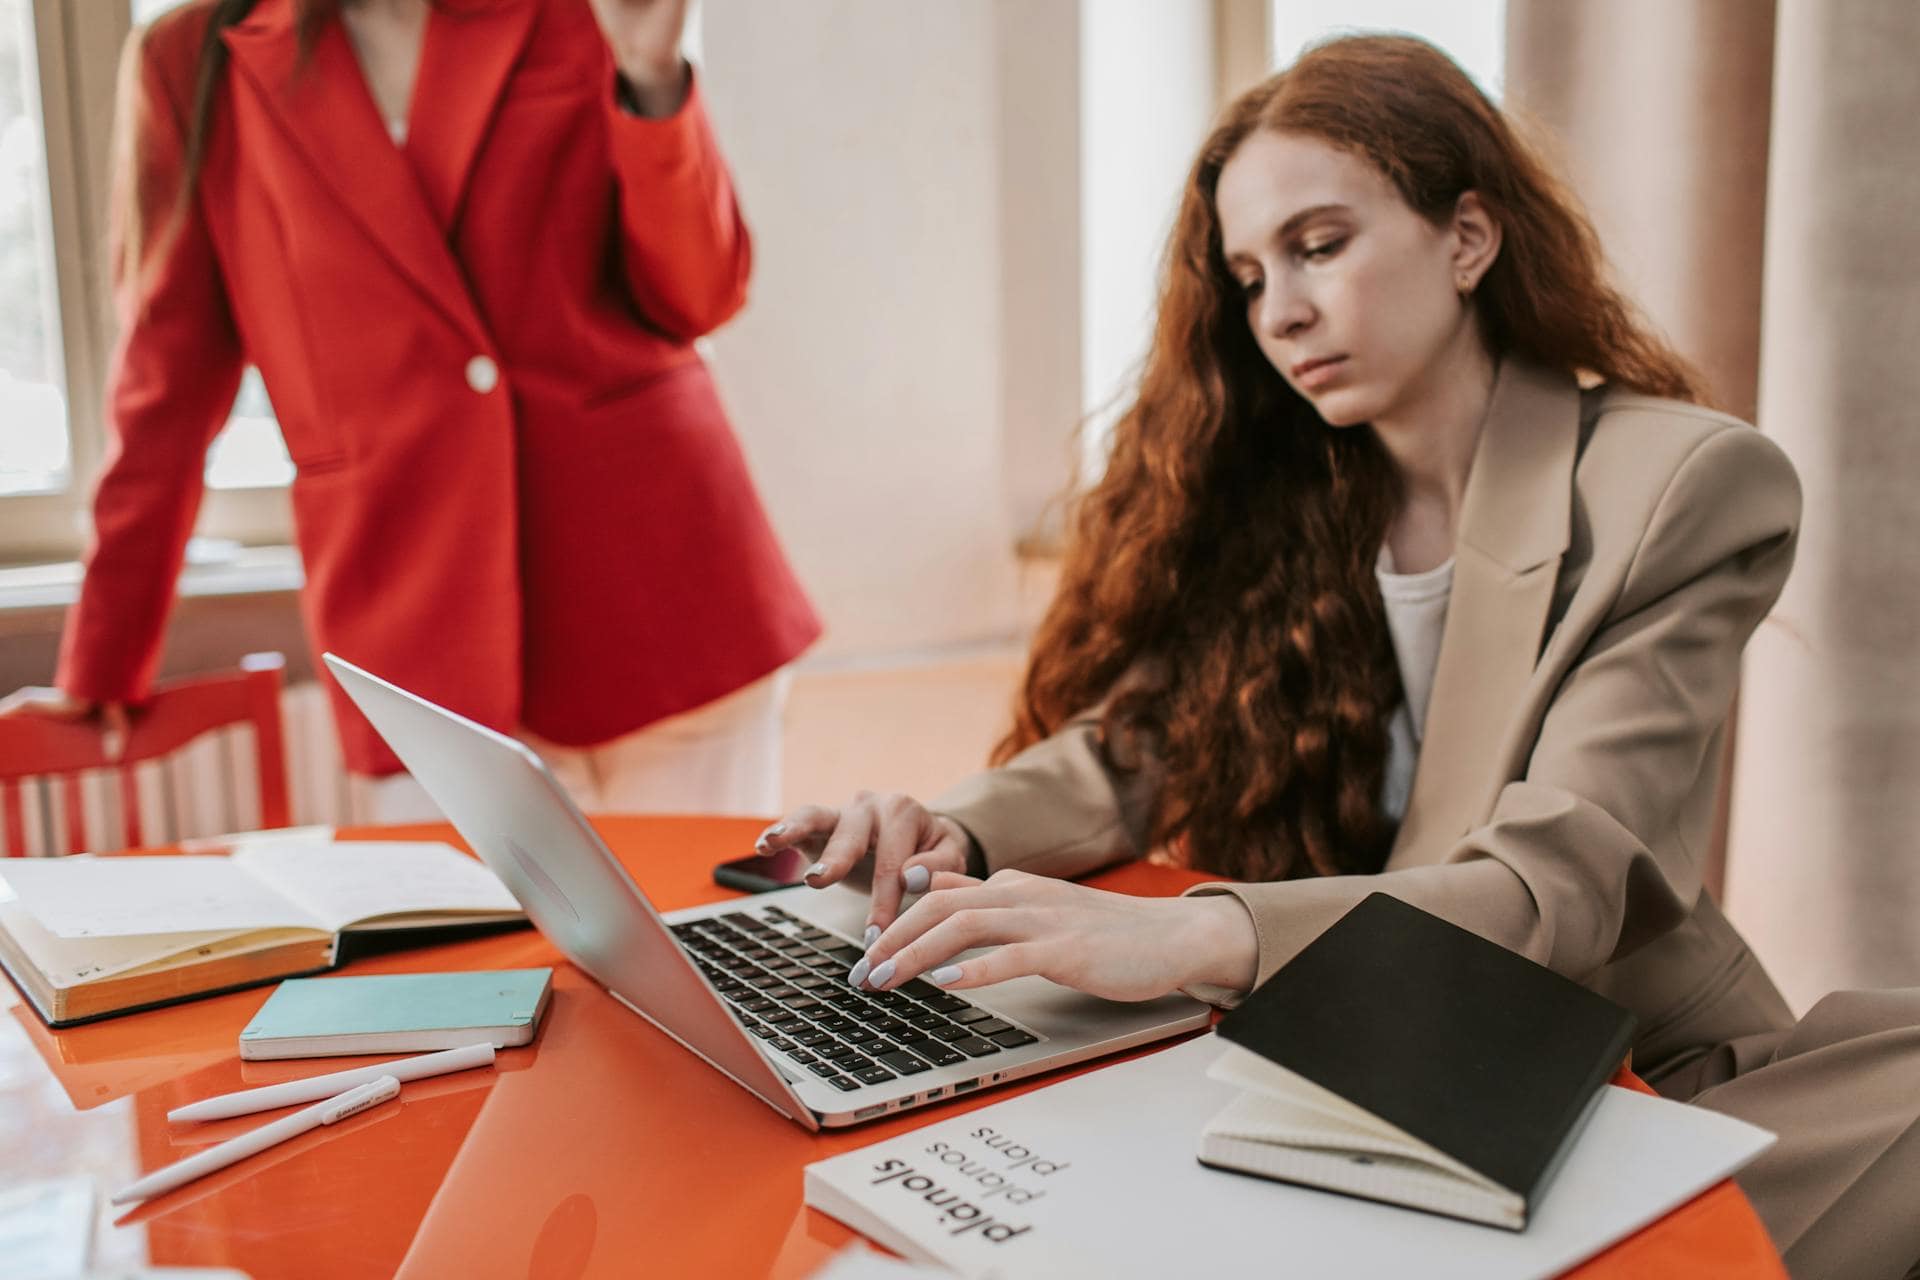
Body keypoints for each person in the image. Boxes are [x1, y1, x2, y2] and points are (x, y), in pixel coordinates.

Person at [758, 35, 1920, 1280]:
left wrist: (1193, 936)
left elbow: (1553, 887)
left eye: (1321, 245)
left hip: (1616, 1067)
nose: (1282, 313)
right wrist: (952, 835)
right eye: (1251, 276)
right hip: (1361, 1069)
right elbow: (1141, 746)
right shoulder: (1297, 489)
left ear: (1468, 237)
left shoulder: (1681, 484)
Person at [0, 0, 818, 819]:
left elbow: (701, 295)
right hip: (417, 635)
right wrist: (101, 665)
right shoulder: (192, 58)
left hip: (667, 593)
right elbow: (164, 391)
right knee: (478, 953)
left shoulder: (575, 13)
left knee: (704, 945)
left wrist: (652, 78)